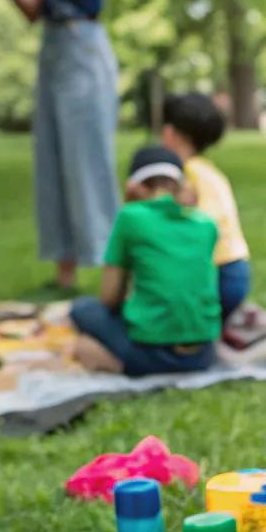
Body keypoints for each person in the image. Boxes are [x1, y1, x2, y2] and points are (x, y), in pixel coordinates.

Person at [0, 0, 119, 292]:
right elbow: (34, 8)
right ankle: (64, 272)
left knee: (88, 161)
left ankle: (110, 270)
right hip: (54, 51)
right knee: (53, 160)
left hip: (83, 52)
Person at [68, 145, 220, 377]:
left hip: (151, 353)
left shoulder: (131, 217)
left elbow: (109, 298)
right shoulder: (206, 224)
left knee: (83, 309)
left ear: (133, 187)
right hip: (203, 355)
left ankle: (117, 362)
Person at [160, 92, 251, 321]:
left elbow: (204, 227)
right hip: (236, 268)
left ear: (170, 134)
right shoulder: (209, 171)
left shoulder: (191, 174)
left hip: (220, 274)